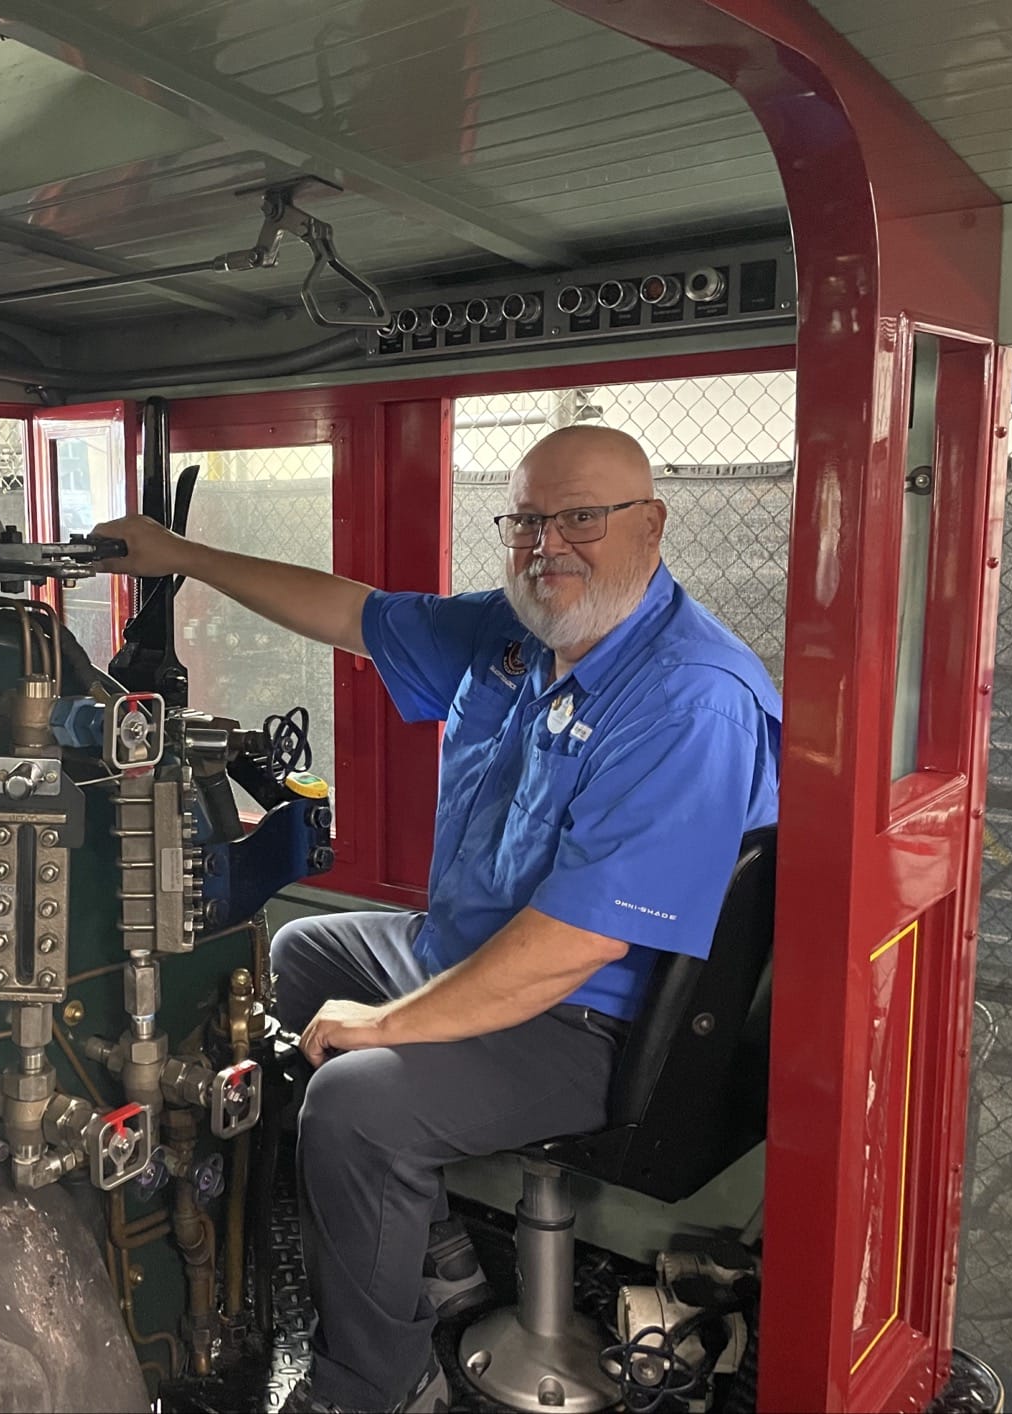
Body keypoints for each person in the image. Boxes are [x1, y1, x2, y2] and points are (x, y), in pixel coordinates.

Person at [94, 425, 781, 1414]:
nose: (550, 544)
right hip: (461, 952)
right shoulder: (516, 632)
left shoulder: (689, 699)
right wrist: (181, 557)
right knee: (286, 958)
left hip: (592, 1016)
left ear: (651, 524)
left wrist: (386, 1026)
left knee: (355, 1105)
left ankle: (373, 1383)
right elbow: (349, 613)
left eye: (582, 517)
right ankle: (431, 1250)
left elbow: (580, 941)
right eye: (527, 521)